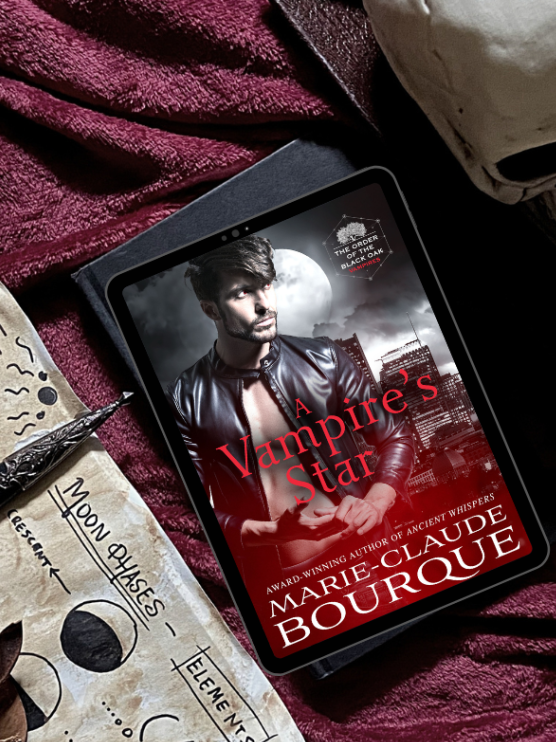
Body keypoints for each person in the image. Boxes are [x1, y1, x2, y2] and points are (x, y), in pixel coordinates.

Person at [171, 235, 415, 586]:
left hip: (369, 555)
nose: (264, 305)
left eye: (266, 286)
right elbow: (188, 509)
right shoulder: (186, 397)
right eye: (243, 293)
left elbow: (394, 435)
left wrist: (376, 501)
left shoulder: (325, 359)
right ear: (210, 309)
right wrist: (271, 533)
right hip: (280, 586)